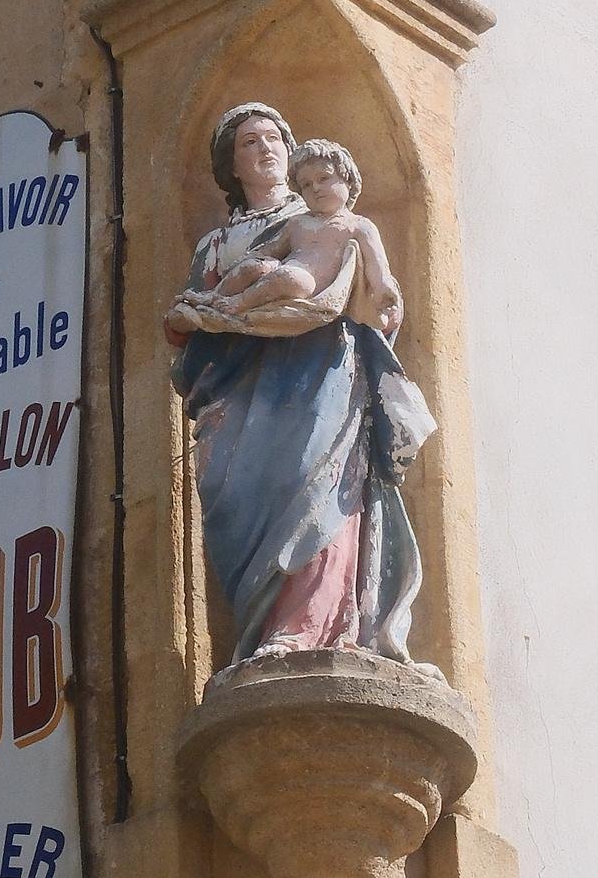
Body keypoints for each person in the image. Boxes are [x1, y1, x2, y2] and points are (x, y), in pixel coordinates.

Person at [165, 105, 434, 664]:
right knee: (240, 500)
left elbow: (372, 291)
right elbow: (184, 321)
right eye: (249, 143)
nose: (265, 150)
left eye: (273, 139)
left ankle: (315, 624)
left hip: (321, 372)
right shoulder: (218, 243)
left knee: (318, 480)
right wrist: (203, 315)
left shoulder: (328, 217)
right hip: (238, 388)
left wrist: (383, 305)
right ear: (231, 165)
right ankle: (261, 629)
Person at [168, 138, 404, 338]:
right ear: (233, 166)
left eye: (324, 179)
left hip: (309, 293)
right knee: (254, 266)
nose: (316, 188)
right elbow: (271, 249)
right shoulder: (298, 222)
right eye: (306, 184)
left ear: (348, 180)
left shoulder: (358, 225)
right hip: (276, 284)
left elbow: (377, 267)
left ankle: (238, 303)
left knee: (289, 276)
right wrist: (254, 262)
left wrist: (384, 290)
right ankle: (214, 297)